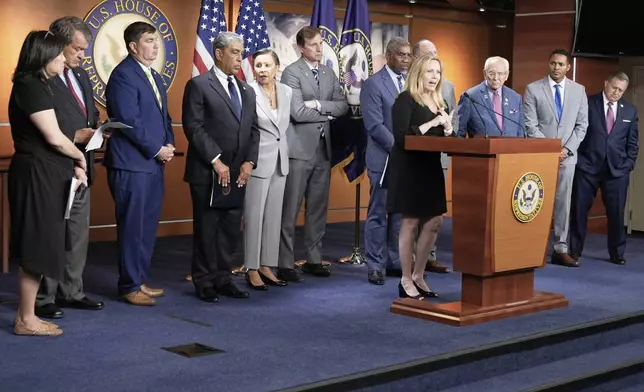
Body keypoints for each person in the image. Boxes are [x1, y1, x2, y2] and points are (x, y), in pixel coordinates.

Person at [8, 30, 87, 336]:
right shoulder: (30, 85)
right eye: (59, 54)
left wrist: (72, 163)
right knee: (37, 245)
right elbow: (55, 138)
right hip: (36, 174)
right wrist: (79, 159)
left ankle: (26, 315)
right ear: (44, 55)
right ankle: (26, 318)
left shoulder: (46, 85)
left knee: (43, 244)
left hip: (50, 172)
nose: (64, 59)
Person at [34, 16, 105, 320]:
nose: (81, 56)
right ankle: (43, 296)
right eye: (77, 49)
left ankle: (72, 291)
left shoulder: (83, 77)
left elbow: (88, 114)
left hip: (82, 165)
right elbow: (40, 125)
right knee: (52, 234)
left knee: (77, 233)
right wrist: (73, 136)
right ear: (59, 44)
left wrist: (99, 129)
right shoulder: (41, 78)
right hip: (54, 166)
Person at [182, 32, 258, 302]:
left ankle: (223, 278)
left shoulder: (246, 89)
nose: (241, 58)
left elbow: (254, 130)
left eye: (241, 52)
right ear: (218, 53)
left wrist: (249, 162)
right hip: (208, 171)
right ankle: (204, 281)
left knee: (229, 229)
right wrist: (216, 160)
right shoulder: (199, 85)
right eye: (235, 52)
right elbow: (194, 126)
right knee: (207, 228)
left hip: (238, 172)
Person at [105, 22, 175, 305]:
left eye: (156, 40)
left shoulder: (154, 76)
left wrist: (168, 144)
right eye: (148, 40)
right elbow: (128, 122)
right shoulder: (123, 75)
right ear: (133, 46)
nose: (155, 45)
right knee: (132, 227)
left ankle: (139, 280)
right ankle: (129, 286)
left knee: (147, 226)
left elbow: (164, 118)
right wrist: (157, 149)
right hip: (131, 164)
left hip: (154, 163)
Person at [278, 26, 348, 281]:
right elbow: (296, 112)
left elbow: (343, 107)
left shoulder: (329, 73)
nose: (320, 49)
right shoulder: (291, 73)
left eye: (321, 44)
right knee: (290, 209)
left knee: (318, 208)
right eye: (314, 45)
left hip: (323, 150)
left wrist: (319, 105)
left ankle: (313, 259)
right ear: (301, 48)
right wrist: (326, 113)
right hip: (298, 149)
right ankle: (284, 262)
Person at [388, 53, 453, 299]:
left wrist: (448, 129)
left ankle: (418, 274)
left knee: (435, 220)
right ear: (418, 73)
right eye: (430, 71)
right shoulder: (405, 100)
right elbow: (402, 138)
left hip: (431, 167)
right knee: (411, 222)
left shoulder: (440, 101)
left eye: (438, 72)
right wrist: (431, 123)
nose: (435, 77)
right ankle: (405, 279)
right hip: (409, 168)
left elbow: (447, 143)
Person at [524, 49, 588, 267]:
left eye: (561, 64)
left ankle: (560, 249)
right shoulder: (533, 89)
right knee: (536, 202)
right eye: (553, 63)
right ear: (548, 64)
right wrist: (550, 149)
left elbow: (582, 125)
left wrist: (566, 150)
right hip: (541, 157)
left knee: (563, 204)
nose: (556, 67)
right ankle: (534, 247)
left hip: (567, 159)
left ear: (568, 67)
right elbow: (530, 125)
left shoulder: (579, 91)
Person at [570, 71, 639, 265]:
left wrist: (629, 164)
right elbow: (578, 131)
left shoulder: (629, 111)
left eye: (621, 90)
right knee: (578, 211)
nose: (616, 92)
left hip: (617, 171)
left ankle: (617, 253)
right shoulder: (588, 103)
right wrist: (579, 161)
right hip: (587, 167)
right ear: (606, 82)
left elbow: (633, 143)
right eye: (614, 87)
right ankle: (575, 250)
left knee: (616, 213)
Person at [360, 37, 411, 285]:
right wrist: (400, 147)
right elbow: (374, 124)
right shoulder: (373, 84)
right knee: (378, 213)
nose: (406, 59)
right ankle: (375, 264)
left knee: (400, 214)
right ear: (389, 55)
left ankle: (393, 261)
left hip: (407, 160)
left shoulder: (411, 83)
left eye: (409, 55)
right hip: (385, 158)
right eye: (401, 55)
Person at [243, 48, 291, 289]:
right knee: (253, 217)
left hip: (281, 162)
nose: (262, 70)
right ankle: (251, 267)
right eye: (258, 65)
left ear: (277, 67)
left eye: (266, 65)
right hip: (258, 162)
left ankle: (266, 265)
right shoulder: (247, 91)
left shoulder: (287, 91)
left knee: (273, 218)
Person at [411, 39, 452, 274]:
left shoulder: (448, 87)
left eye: (436, 55)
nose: (435, 71)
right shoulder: (409, 91)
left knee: (435, 213)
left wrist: (448, 129)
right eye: (429, 56)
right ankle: (411, 259)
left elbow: (452, 120)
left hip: (438, 159)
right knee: (414, 213)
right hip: (414, 161)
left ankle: (430, 256)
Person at [457, 56, 525, 138]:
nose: (496, 78)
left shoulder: (515, 98)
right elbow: (460, 133)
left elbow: (521, 133)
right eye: (491, 73)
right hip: (481, 149)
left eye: (500, 74)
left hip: (510, 149)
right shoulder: (470, 97)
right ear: (485, 74)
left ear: (506, 75)